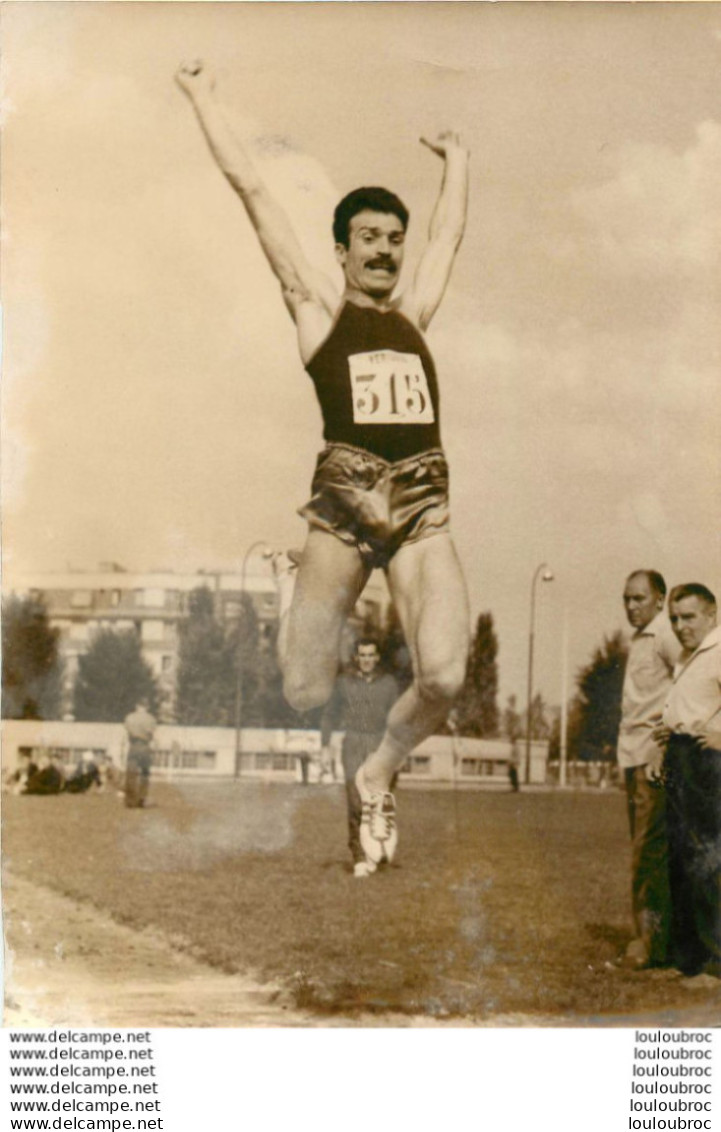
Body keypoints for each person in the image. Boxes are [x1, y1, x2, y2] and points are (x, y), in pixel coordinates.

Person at [176, 62, 470, 870]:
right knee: (305, 689)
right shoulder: (317, 310)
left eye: (392, 239)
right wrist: (205, 99)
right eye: (369, 238)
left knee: (444, 673)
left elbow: (447, 237)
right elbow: (255, 193)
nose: (385, 250)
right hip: (342, 503)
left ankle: (377, 774)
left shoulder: (413, 316)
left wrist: (458, 160)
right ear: (340, 250)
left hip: (420, 501)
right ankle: (290, 588)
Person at [654, 583, 721, 981]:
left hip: (708, 763)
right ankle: (687, 961)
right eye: (675, 619)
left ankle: (714, 964)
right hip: (680, 757)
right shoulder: (687, 656)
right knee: (678, 858)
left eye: (689, 617)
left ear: (712, 615)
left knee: (706, 860)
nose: (680, 626)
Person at [615, 569, 680, 970]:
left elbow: (689, 679)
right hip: (631, 755)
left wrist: (667, 737)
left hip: (653, 759)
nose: (631, 606)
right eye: (626, 598)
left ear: (660, 599)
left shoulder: (667, 637)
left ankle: (649, 942)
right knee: (646, 850)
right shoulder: (640, 640)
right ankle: (656, 937)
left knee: (648, 853)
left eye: (639, 598)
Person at [320, 638, 400, 877]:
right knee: (356, 802)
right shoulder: (344, 683)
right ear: (356, 658)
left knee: (381, 803)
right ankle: (359, 857)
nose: (366, 660)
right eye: (362, 655)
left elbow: (398, 720)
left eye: (370, 655)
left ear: (377, 658)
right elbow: (329, 716)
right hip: (354, 742)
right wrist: (325, 746)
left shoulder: (388, 684)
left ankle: (378, 852)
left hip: (380, 745)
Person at [123, 699, 157, 809]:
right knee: (144, 774)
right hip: (145, 746)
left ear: (137, 705)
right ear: (147, 707)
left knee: (131, 774)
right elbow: (152, 734)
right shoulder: (151, 718)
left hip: (133, 746)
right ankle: (141, 799)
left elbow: (127, 733)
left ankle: (130, 800)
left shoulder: (129, 717)